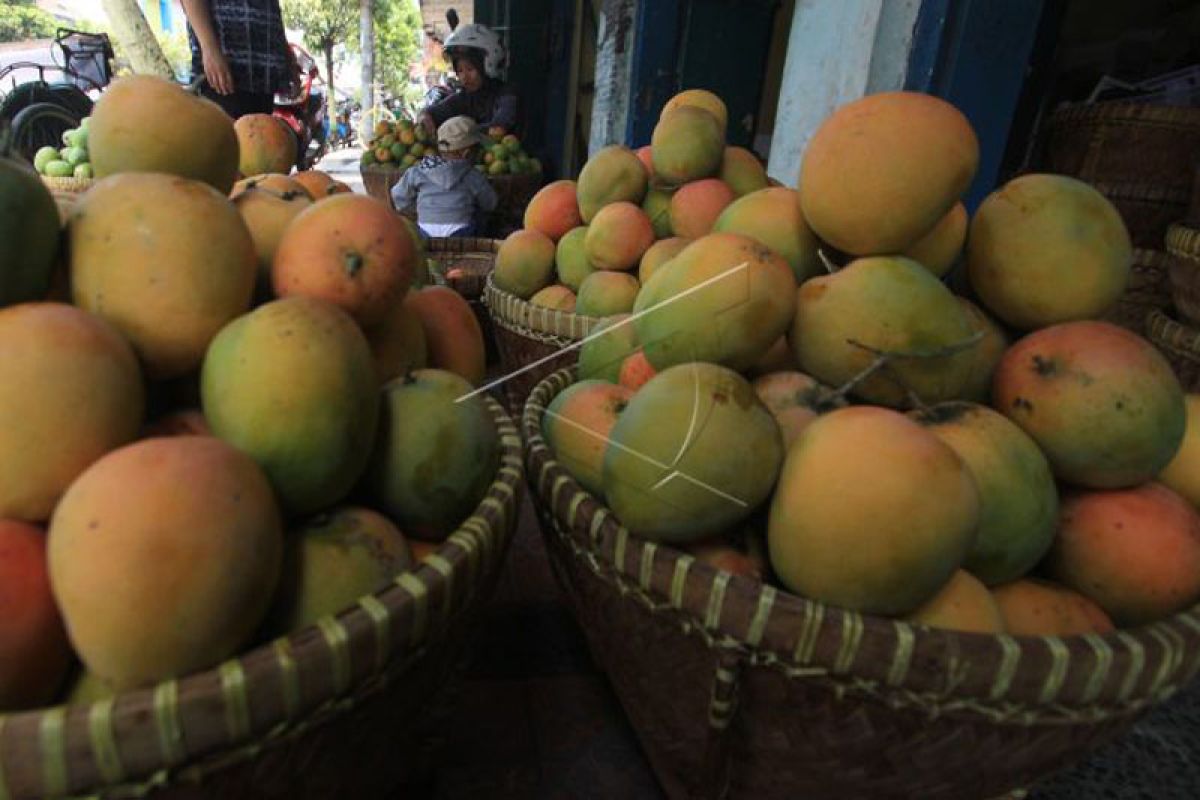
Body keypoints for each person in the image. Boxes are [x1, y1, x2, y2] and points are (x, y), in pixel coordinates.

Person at [181, 0, 298, 118]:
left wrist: (285, 54)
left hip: (265, 76)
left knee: (256, 133)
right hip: (224, 74)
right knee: (220, 133)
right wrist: (209, 48)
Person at [392, 116, 498, 239]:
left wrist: (419, 210)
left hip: (425, 233)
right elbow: (491, 203)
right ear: (467, 153)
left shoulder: (419, 171)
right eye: (477, 150)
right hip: (462, 235)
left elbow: (398, 195)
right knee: (481, 215)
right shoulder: (472, 175)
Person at [419, 24, 519, 138]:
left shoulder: (507, 94)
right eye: (460, 71)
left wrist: (461, 134)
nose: (464, 77)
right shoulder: (465, 97)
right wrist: (425, 116)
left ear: (488, 65)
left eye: (470, 69)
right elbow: (434, 111)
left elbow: (500, 126)